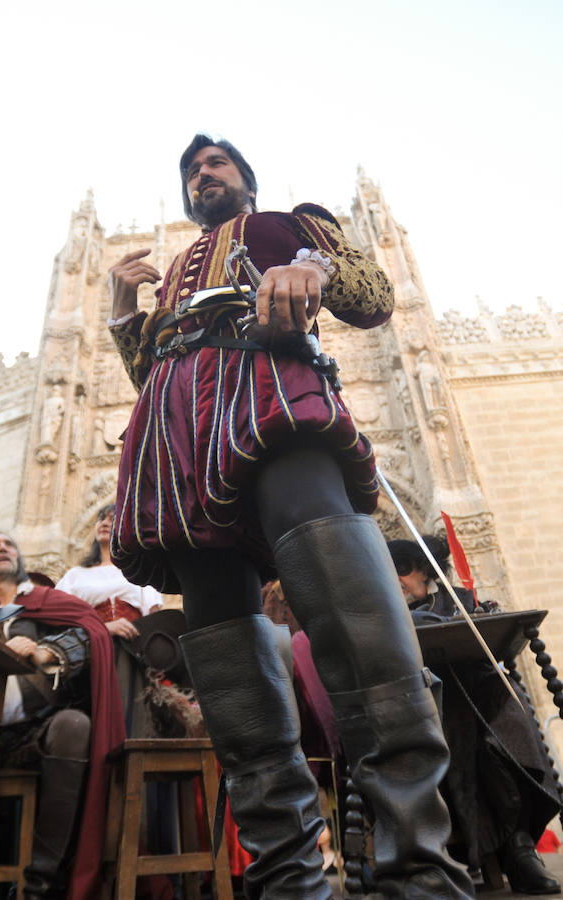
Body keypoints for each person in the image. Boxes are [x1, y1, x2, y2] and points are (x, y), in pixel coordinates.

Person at [107, 133, 474, 899]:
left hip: (273, 392)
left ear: (245, 178)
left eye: (216, 164)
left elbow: (371, 298)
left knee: (348, 607)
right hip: (180, 431)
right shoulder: (176, 267)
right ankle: (286, 881)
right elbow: (152, 371)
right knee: (219, 631)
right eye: (190, 171)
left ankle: (418, 874)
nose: (202, 175)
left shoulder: (291, 222)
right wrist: (123, 309)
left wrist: (309, 267)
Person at [0, 531, 125, 899]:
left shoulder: (46, 602)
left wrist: (48, 651)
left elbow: (88, 632)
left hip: (27, 733)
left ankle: (38, 887)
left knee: (74, 726)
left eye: (9, 545)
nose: (1, 548)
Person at [387, 536, 562, 895]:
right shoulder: (392, 612)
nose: (399, 581)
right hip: (430, 710)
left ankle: (519, 845)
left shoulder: (463, 600)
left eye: (403, 571)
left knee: (503, 713)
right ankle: (515, 847)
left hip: (483, 699)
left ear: (420, 568)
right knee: (469, 730)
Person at [56, 503, 163, 735]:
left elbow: (156, 620)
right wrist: (104, 629)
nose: (104, 523)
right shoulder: (75, 576)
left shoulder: (140, 573)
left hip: (136, 650)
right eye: (101, 519)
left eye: (112, 519)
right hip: (91, 648)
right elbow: (60, 621)